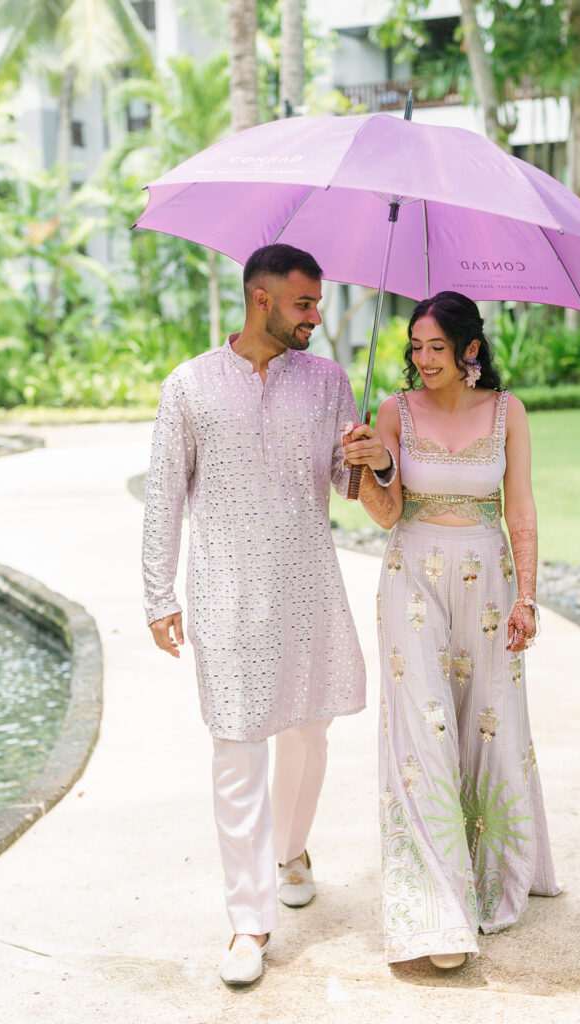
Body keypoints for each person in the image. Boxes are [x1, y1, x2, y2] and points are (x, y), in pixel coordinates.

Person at [141, 244, 394, 987]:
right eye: (305, 305)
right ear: (261, 301)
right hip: (224, 592)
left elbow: (362, 495)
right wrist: (160, 595)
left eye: (317, 303)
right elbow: (165, 496)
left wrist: (368, 458)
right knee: (237, 748)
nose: (317, 317)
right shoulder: (188, 386)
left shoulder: (329, 383)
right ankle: (248, 922)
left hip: (308, 585)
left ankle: (292, 850)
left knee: (309, 733)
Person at [343, 291, 561, 969]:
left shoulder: (508, 412)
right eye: (414, 346)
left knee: (489, 720)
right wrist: (375, 464)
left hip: (489, 583)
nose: (422, 358)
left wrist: (527, 596)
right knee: (424, 726)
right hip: (412, 578)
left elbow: (519, 509)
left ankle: (492, 872)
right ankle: (436, 909)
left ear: (470, 349)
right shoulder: (393, 412)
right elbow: (382, 512)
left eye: (436, 346)